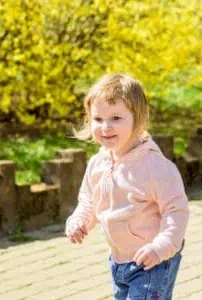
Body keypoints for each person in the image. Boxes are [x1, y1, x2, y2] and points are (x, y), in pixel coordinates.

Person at [65, 73, 190, 300]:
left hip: (153, 260)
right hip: (118, 260)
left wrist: (161, 247)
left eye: (116, 118)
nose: (106, 127)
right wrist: (79, 221)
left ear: (138, 118)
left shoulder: (155, 167)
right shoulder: (97, 164)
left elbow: (176, 211)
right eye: (98, 119)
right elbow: (89, 201)